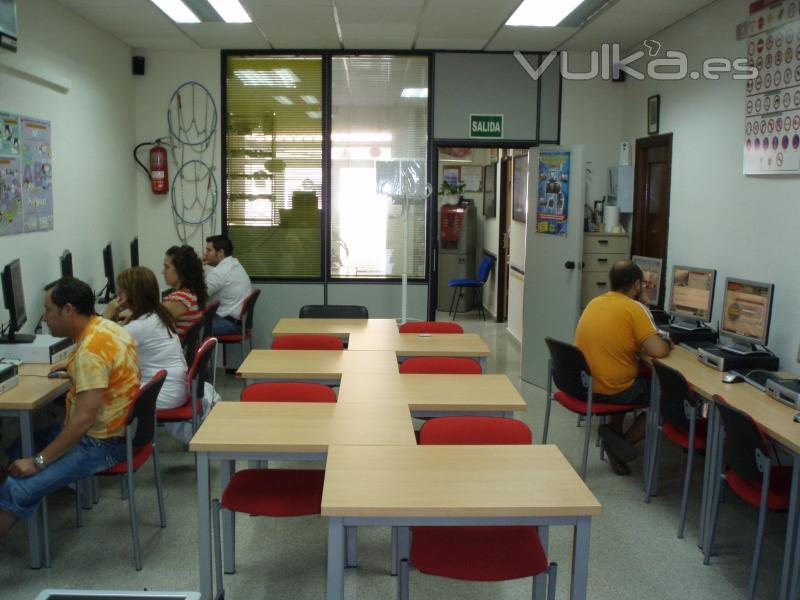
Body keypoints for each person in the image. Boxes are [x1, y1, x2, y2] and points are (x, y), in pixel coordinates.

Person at [0, 277, 140, 537]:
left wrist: (38, 462)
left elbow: (83, 419)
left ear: (68, 310)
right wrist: (75, 370)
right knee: (11, 453)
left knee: (16, 488)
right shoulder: (106, 328)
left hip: (99, 445)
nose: (44, 318)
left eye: (48, 310)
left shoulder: (90, 352)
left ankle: (12, 504)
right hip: (116, 434)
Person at [574, 259, 671, 476]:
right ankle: (622, 445)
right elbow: (658, 351)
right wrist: (668, 342)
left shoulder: (595, 302)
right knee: (666, 399)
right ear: (637, 285)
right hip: (614, 389)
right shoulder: (633, 309)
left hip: (587, 384)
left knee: (625, 371)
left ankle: (614, 443)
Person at [104, 267, 187, 410]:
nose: (117, 295)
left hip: (162, 393)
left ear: (131, 295)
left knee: (98, 400)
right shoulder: (157, 315)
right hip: (173, 388)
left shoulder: (139, 326)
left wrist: (107, 315)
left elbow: (100, 349)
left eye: (121, 291)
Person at [203, 234, 251, 336]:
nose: (205, 254)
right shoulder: (234, 264)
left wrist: (194, 268)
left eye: (208, 250)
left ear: (220, 252)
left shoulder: (220, 271)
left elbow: (197, 297)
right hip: (236, 321)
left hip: (228, 323)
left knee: (191, 329)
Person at [162, 245, 208, 340]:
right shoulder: (193, 291)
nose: (163, 272)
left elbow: (149, 325)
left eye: (167, 267)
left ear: (180, 271)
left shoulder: (179, 299)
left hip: (175, 351)